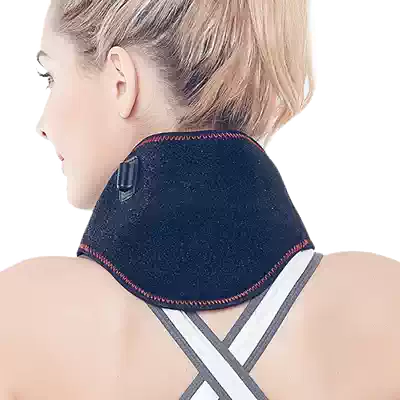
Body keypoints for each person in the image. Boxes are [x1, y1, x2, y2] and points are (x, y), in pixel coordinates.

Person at [1, 0, 395, 399]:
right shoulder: (381, 304)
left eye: (50, 76)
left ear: (120, 81)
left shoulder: (21, 317)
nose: (43, 126)